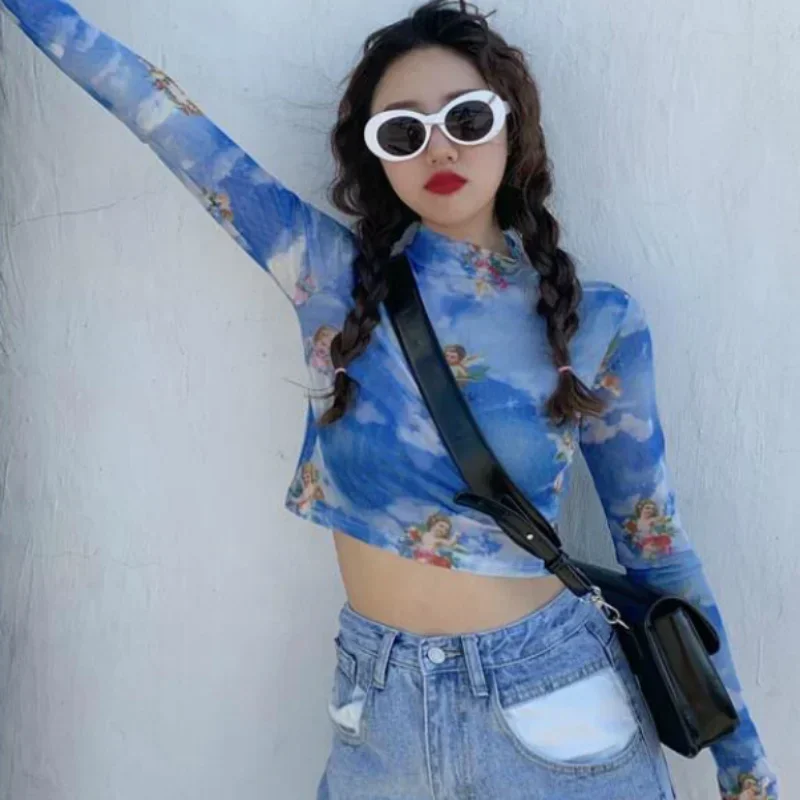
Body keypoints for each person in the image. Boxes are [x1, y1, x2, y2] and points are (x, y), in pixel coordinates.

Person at [0, 1, 777, 798]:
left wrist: (744, 764)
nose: (439, 146)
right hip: (380, 712)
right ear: (378, 157)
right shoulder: (330, 281)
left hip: (559, 700)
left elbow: (655, 543)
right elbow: (165, 118)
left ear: (512, 129)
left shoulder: (599, 322)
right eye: (403, 132)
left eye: (467, 118)